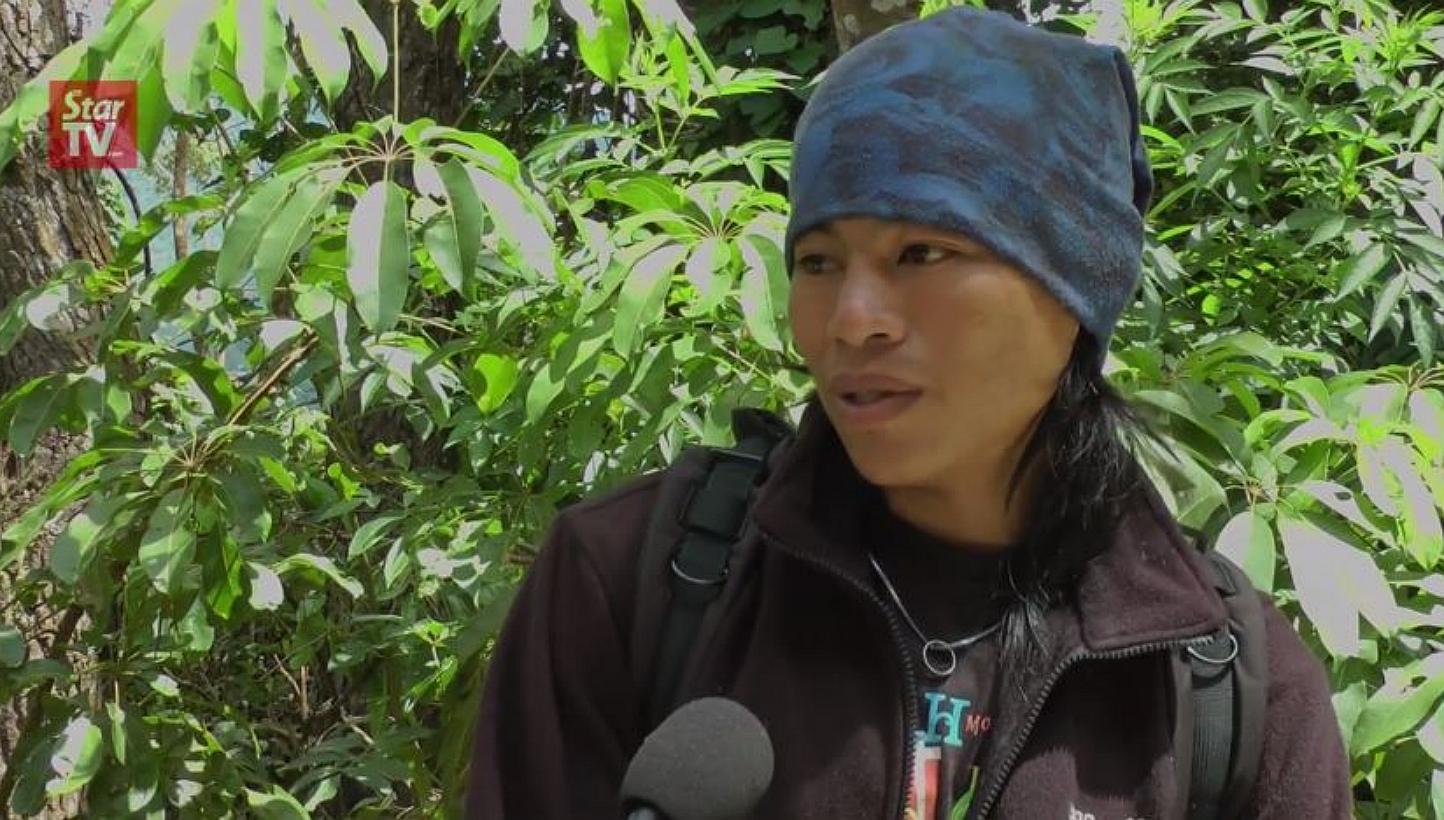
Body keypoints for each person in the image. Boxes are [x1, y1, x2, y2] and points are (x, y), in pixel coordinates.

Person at [463, 7, 1353, 819]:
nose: (852, 320)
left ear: (1073, 287)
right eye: (817, 261)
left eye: (922, 251)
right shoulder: (629, 586)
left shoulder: (1223, 689)